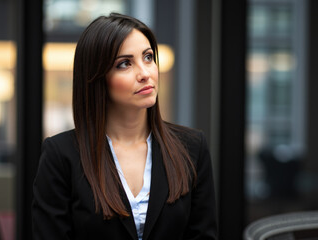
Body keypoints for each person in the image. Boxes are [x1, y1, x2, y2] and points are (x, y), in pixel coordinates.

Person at [32, 13, 217, 240]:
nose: (145, 73)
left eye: (148, 58)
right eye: (125, 64)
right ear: (97, 78)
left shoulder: (191, 147)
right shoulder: (61, 155)